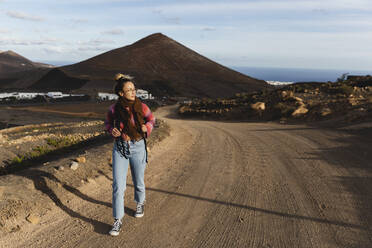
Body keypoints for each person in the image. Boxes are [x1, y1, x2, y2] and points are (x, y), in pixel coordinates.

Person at [104, 73, 155, 236]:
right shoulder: (113, 109)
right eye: (129, 90)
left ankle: (140, 202)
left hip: (138, 146)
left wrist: (147, 127)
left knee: (138, 181)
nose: (133, 92)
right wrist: (111, 130)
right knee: (118, 186)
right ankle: (117, 220)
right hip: (120, 148)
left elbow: (152, 120)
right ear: (121, 93)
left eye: (134, 89)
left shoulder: (142, 107)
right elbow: (107, 123)